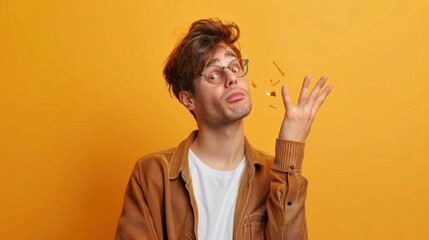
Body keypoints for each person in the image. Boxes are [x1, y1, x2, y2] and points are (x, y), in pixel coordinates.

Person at [115, 18, 332, 240]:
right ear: (189, 99)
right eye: (214, 75)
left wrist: (290, 152)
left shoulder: (273, 176)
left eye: (235, 67)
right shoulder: (152, 173)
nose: (232, 78)